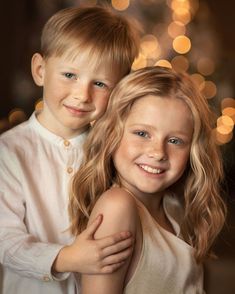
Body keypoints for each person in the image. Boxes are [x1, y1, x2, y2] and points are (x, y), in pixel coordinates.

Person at [0, 5, 139, 294]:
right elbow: (5, 241)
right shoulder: (9, 152)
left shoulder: (113, 150)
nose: (82, 94)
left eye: (100, 83)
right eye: (70, 75)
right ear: (40, 70)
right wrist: (68, 258)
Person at [69, 66, 227, 294]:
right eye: (142, 134)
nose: (158, 152)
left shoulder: (174, 208)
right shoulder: (117, 207)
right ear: (112, 134)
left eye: (175, 140)